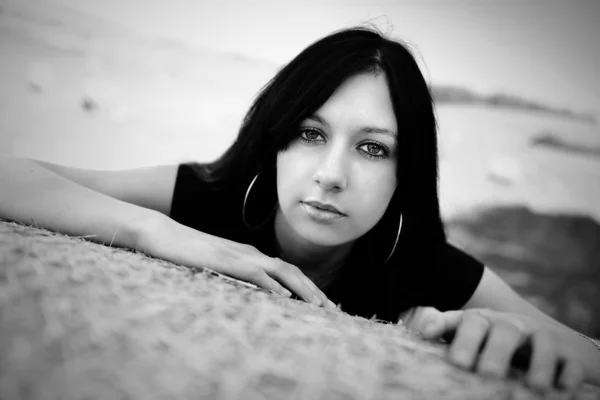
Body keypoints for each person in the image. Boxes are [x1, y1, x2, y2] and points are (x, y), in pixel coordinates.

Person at [1, 26, 598, 392]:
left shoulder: (428, 265)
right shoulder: (212, 196)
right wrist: (158, 233)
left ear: (404, 172)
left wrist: (515, 331)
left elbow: (579, 349)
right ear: (277, 140)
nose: (331, 175)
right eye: (311, 134)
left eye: (372, 148)